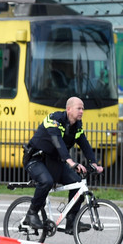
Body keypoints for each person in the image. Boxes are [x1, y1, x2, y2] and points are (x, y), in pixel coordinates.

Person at [23, 96, 104, 233]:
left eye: (83, 109)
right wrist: (71, 161)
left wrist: (94, 163)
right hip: (36, 159)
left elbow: (84, 144)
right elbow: (57, 142)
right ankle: (31, 213)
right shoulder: (54, 120)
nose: (82, 111)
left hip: (54, 162)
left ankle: (71, 222)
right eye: (79, 108)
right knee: (46, 181)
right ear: (69, 109)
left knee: (77, 183)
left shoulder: (77, 126)